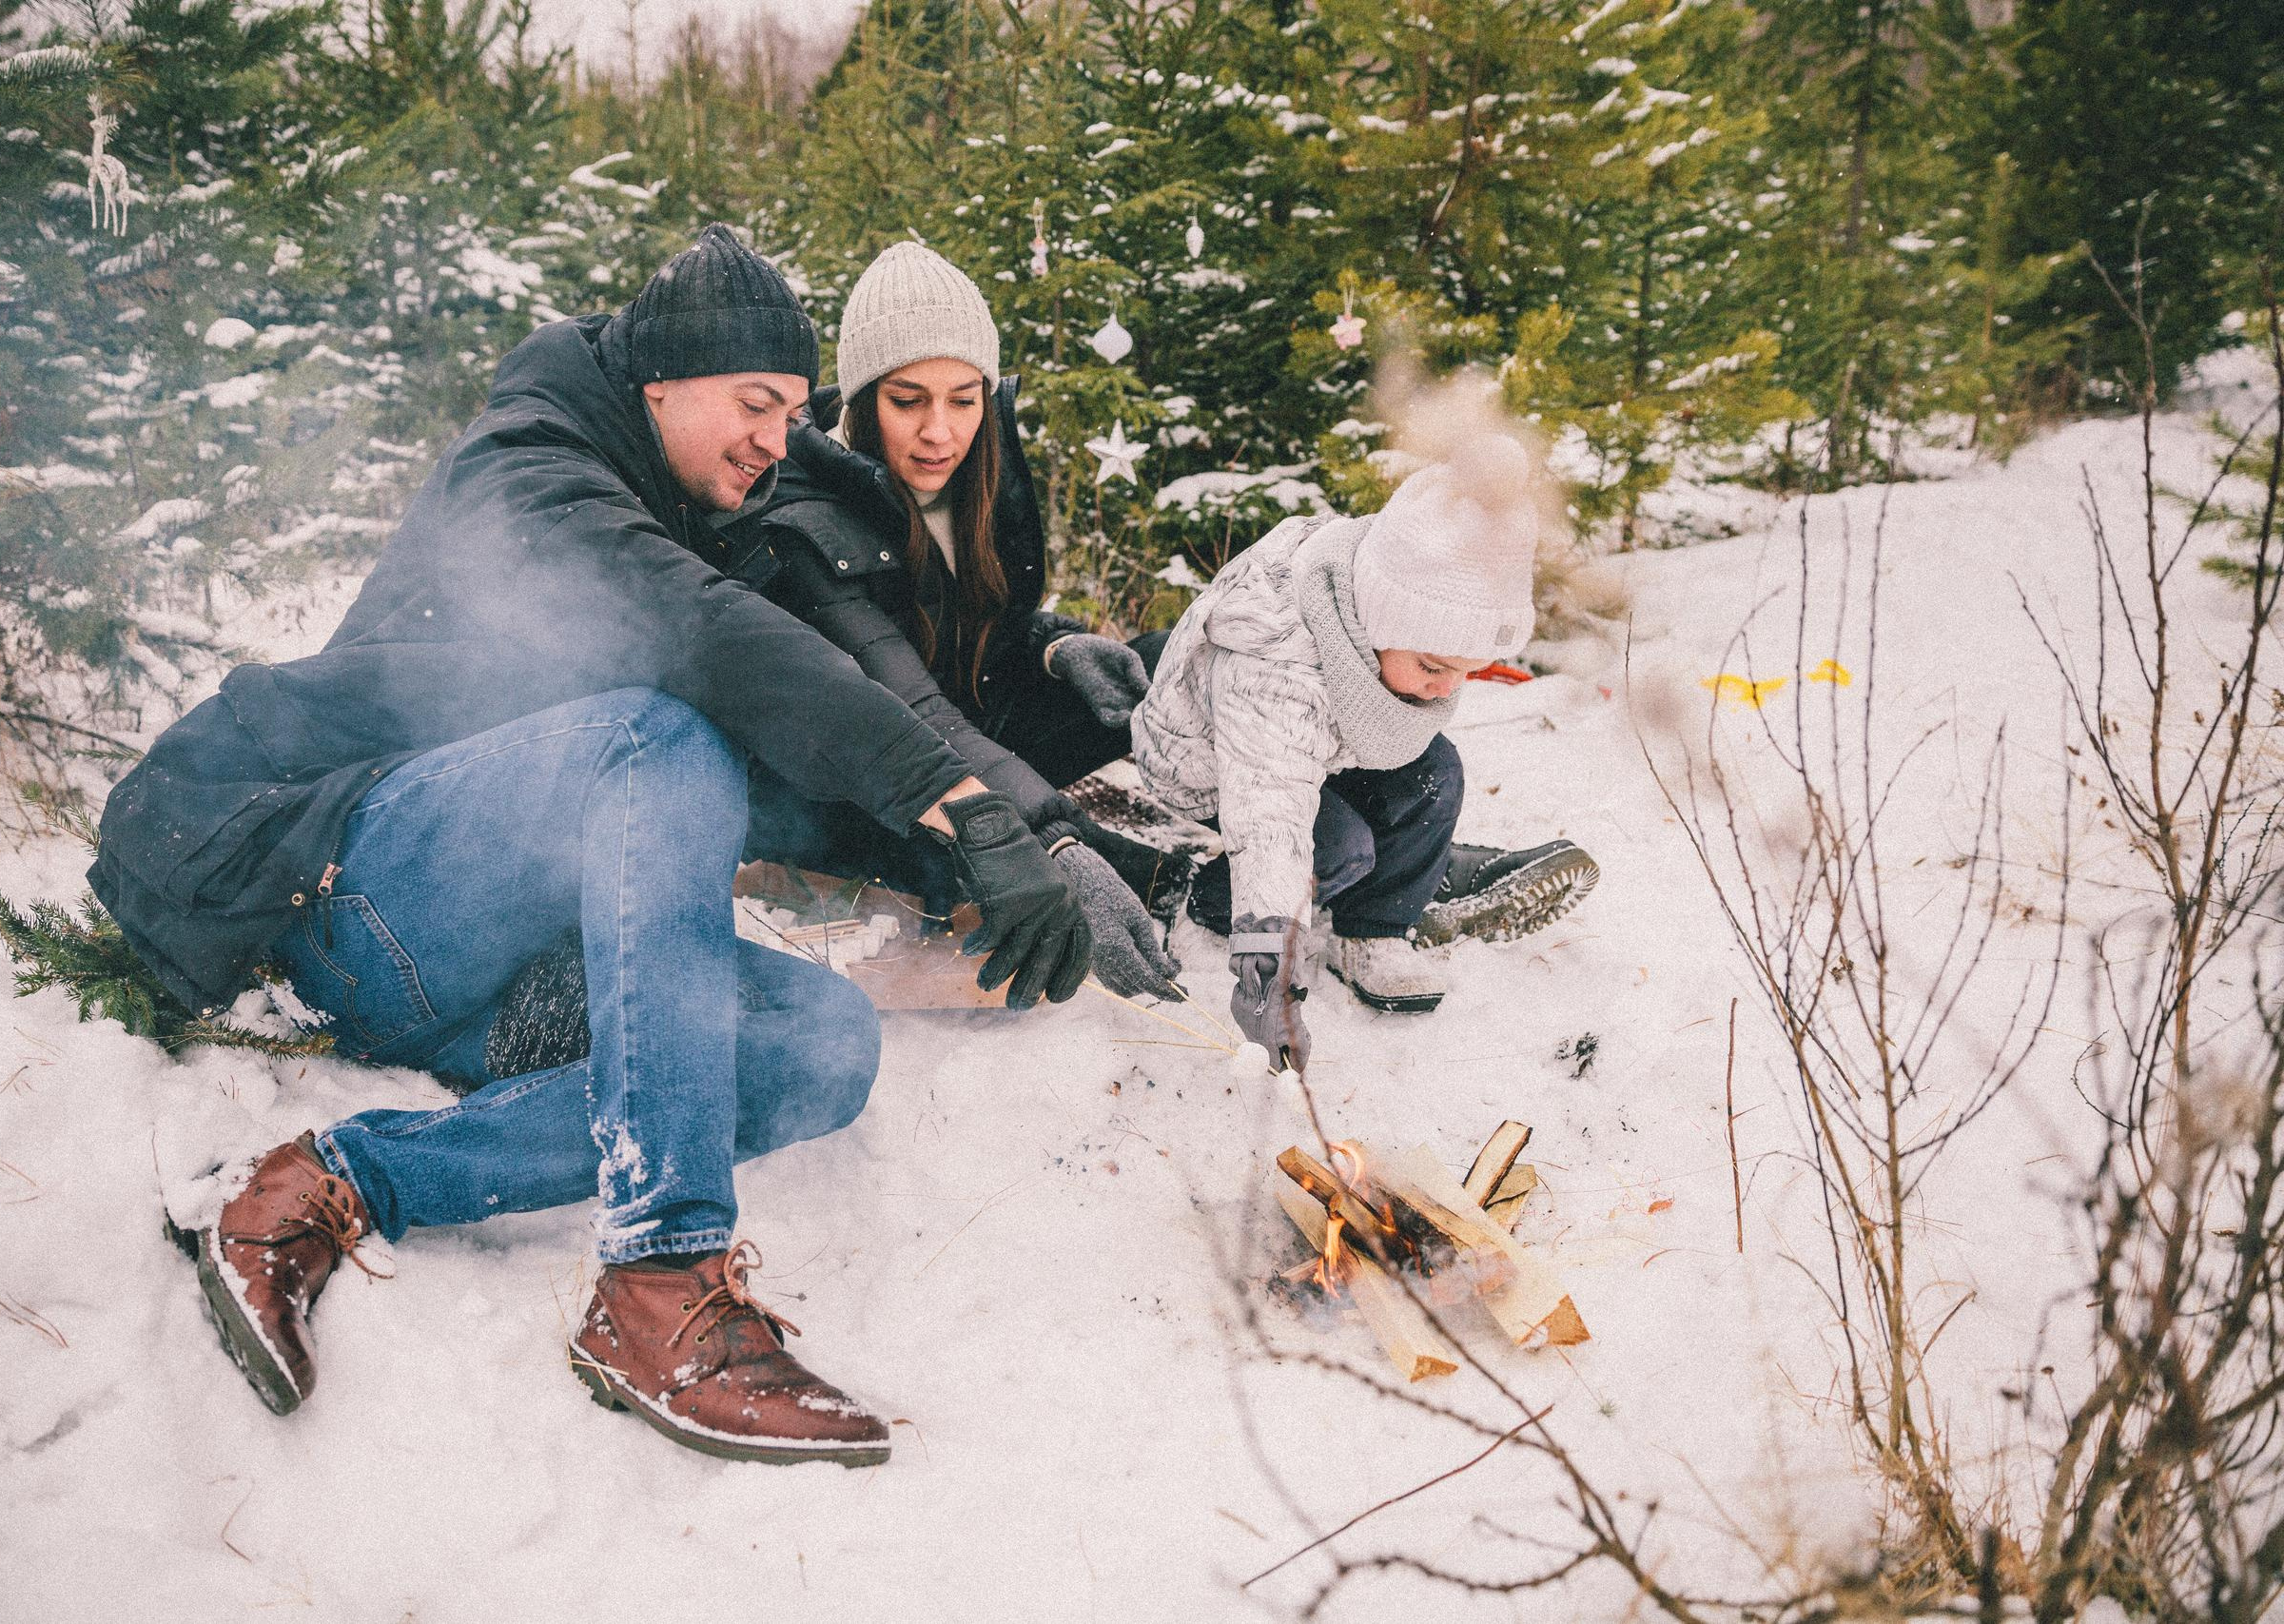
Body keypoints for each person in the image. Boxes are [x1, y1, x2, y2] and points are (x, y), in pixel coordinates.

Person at [88, 225, 1097, 1468]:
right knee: (661, 739)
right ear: (661, 383)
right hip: (363, 899)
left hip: (506, 970)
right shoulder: (527, 470)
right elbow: (703, 637)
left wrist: (1015, 838)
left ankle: (331, 1185)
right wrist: (959, 802)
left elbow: (842, 702)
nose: (774, 440)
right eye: (754, 404)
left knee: (822, 1045)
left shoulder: (723, 506)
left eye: (790, 412)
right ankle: (660, 1285)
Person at [725, 238, 1181, 1002]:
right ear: (864, 397)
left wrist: (1053, 646)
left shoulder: (977, 470)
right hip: (867, 795)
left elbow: (982, 627)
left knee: (1172, 659)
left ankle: (1358, 829)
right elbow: (912, 707)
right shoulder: (802, 520)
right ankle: (1181, 885)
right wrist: (1069, 846)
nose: (941, 430)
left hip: (972, 733)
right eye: (909, 401)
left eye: (963, 399)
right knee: (972, 858)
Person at [1129, 418, 1598, 1069]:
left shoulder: (1391, 584)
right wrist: (1267, 976)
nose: (1443, 690)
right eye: (1433, 667)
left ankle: (1374, 927)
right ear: (1379, 619)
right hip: (1209, 761)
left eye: (1465, 671)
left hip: (1318, 748)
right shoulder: (1277, 665)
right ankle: (1208, 902)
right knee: (1338, 846)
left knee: (1436, 771)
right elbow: (1271, 821)